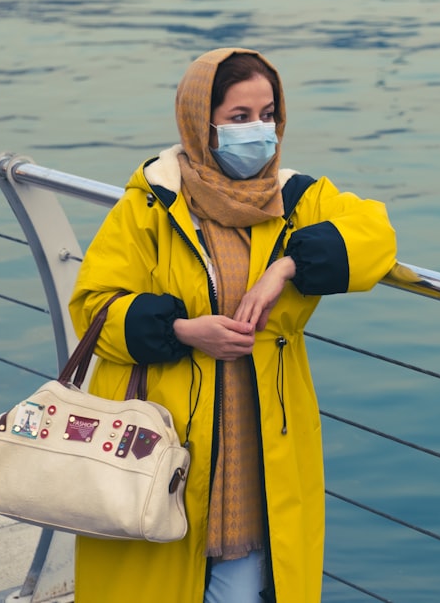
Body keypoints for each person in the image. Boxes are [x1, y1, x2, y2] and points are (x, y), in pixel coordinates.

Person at [68, 47, 398, 602]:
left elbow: (376, 236)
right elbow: (93, 308)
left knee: (249, 573)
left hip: (261, 435)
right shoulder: (151, 202)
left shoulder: (296, 198)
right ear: (203, 121)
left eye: (268, 115)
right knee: (156, 575)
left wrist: (289, 266)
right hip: (159, 437)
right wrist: (181, 331)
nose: (259, 131)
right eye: (240, 117)